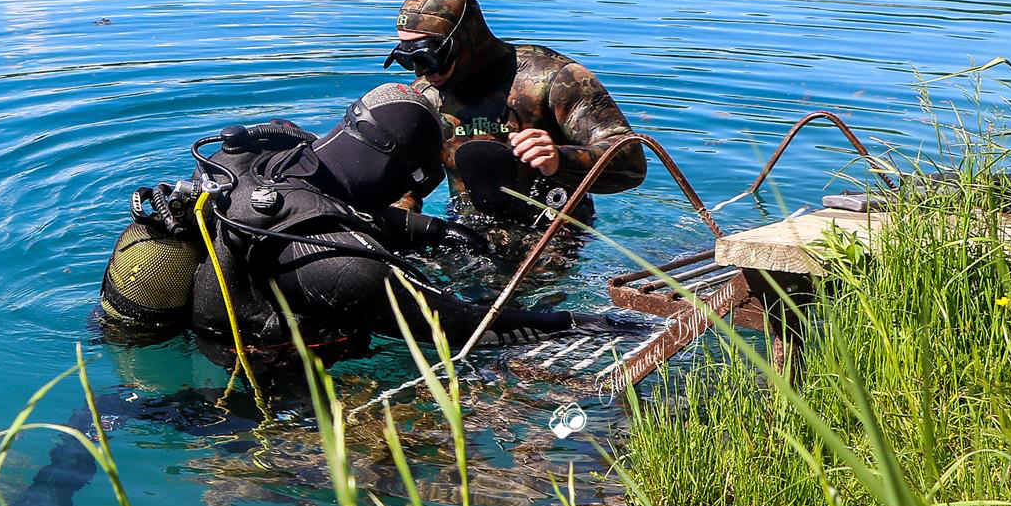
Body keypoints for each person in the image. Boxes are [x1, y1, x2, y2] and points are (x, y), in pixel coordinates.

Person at [97, 82, 636, 366]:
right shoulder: (355, 267)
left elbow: (341, 203)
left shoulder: (271, 155)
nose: (411, 197)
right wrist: (585, 322)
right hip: (254, 391)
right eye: (413, 182)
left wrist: (438, 231)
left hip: (209, 302)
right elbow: (471, 327)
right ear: (402, 170)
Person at [385, 0, 646, 229]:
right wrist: (402, 219)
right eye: (408, 60)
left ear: (467, 39)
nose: (423, 72)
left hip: (552, 236)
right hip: (467, 234)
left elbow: (632, 162)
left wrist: (560, 159)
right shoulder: (426, 96)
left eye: (430, 57)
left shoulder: (555, 80)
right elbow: (407, 178)